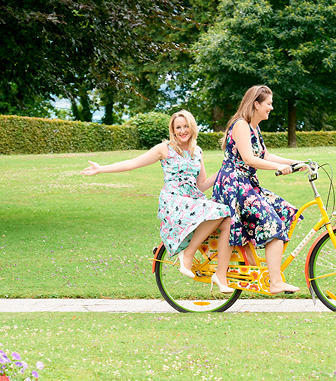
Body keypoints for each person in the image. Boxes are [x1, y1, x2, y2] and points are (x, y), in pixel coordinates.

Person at [81, 110, 234, 293]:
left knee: (228, 219)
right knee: (220, 211)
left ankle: (220, 274)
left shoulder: (197, 151)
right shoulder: (165, 148)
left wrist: (223, 171)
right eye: (178, 127)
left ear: (192, 127)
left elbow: (200, 185)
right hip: (174, 200)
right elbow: (133, 163)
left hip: (192, 199)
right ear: (173, 130)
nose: (183, 130)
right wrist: (101, 169)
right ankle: (188, 253)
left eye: (186, 126)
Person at [212, 85, 302, 294]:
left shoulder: (254, 127)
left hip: (247, 183)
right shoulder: (241, 125)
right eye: (268, 103)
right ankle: (275, 281)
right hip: (234, 185)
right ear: (256, 104)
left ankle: (258, 261)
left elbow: (266, 156)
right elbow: (249, 159)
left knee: (285, 211)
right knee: (273, 222)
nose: (271, 107)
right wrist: (278, 168)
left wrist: (297, 163)